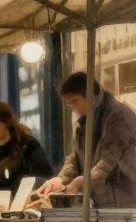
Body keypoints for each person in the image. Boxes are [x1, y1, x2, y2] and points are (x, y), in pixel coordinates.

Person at [38, 72, 136, 207]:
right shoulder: (82, 122)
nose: (73, 109)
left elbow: (108, 162)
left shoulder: (118, 116)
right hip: (98, 202)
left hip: (123, 203)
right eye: (69, 104)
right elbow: (74, 160)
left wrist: (83, 181)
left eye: (75, 102)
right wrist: (60, 179)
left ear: (90, 95)